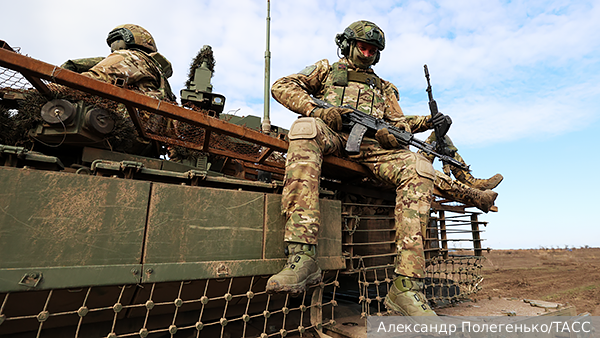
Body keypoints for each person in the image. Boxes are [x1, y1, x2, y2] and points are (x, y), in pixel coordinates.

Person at [266, 20, 444, 316]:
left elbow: (398, 121)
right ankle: (302, 257)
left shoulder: (385, 88)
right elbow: (282, 86)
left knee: (419, 167)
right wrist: (317, 110)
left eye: (374, 49)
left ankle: (406, 286)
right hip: (332, 133)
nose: (368, 52)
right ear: (348, 44)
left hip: (371, 147)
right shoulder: (326, 69)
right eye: (363, 46)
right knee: (305, 129)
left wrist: (391, 132)